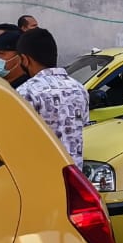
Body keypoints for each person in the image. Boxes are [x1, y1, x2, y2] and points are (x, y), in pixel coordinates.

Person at [16, 28, 88, 166]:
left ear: (25, 59)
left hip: (42, 175)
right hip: (74, 176)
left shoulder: (26, 92)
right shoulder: (79, 88)